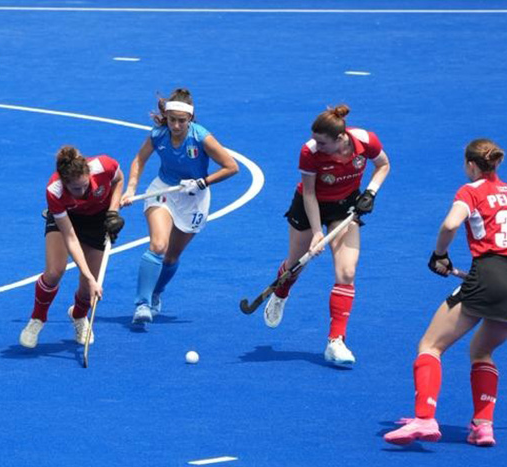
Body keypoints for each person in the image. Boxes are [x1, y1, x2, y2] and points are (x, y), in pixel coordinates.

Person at [384, 139, 507, 447]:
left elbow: (451, 223)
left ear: (471, 165)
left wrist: (440, 254)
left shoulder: (471, 191)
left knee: (430, 344)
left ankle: (424, 418)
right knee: (482, 351)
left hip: (488, 275)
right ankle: (483, 426)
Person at [261, 103, 390, 366]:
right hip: (310, 206)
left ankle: (335, 342)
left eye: (322, 143)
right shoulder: (309, 152)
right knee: (296, 265)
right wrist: (317, 233)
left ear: (340, 138)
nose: (316, 146)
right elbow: (309, 193)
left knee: (347, 273)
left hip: (346, 208)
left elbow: (383, 165)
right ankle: (281, 293)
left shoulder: (366, 140)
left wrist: (371, 192)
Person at [120, 89, 239, 325]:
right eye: (172, 119)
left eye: (181, 121)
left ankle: (156, 293)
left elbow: (231, 166)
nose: (175, 125)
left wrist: (202, 182)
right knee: (158, 245)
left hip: (194, 198)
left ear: (191, 119)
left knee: (172, 257)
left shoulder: (202, 137)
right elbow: (139, 159)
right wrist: (131, 188)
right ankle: (142, 304)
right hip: (163, 190)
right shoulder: (158, 135)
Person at [20, 146, 125, 349]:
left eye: (85, 186)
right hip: (67, 220)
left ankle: (78, 315)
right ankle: (37, 319)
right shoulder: (54, 191)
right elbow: (70, 238)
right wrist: (87, 275)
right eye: (75, 189)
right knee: (54, 272)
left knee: (88, 289)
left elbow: (119, 179)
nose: (82, 192)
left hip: (96, 220)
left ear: (89, 173)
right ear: (64, 182)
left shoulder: (104, 165)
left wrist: (113, 213)